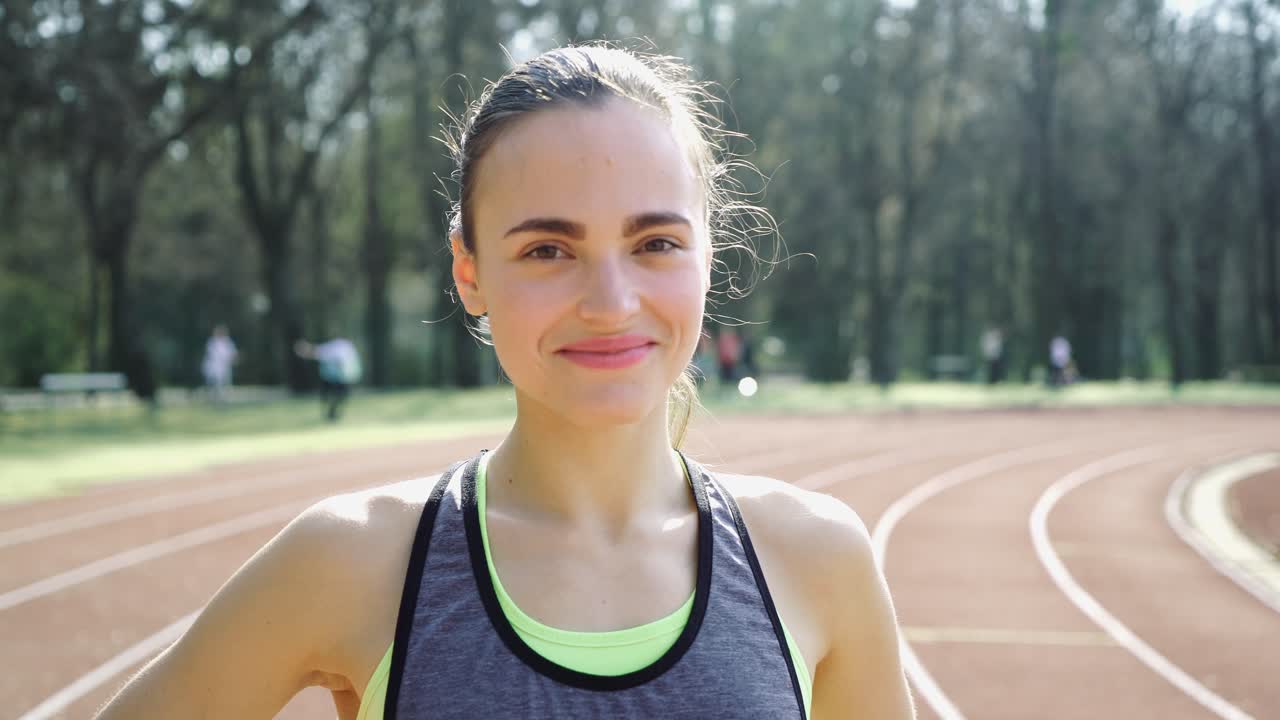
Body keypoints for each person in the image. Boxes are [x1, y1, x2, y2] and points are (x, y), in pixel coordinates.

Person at [95, 46, 914, 720]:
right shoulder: (352, 560)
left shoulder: (818, 559)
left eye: (656, 243)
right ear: (470, 273)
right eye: (547, 250)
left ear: (708, 259)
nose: (610, 303)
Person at [295, 336, 362, 421]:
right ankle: (331, 415)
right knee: (333, 397)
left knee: (337, 397)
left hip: (341, 378)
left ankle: (332, 414)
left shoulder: (331, 349)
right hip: (336, 378)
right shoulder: (329, 348)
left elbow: (341, 361)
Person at [201, 324, 238, 403]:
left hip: (224, 367)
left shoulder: (228, 342)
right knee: (213, 383)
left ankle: (223, 398)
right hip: (214, 366)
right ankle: (212, 398)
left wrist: (232, 360)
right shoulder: (212, 342)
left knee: (225, 383)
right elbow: (213, 355)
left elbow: (233, 354)